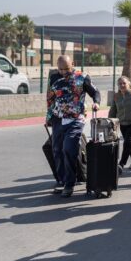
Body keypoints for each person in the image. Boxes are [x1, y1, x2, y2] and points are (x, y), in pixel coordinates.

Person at [46, 55, 101, 198]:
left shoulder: (82, 77)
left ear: (73, 64)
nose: (63, 72)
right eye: (60, 69)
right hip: (58, 119)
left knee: (68, 148)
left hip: (76, 119)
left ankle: (69, 184)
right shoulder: (54, 78)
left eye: (66, 69)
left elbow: (95, 92)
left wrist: (96, 102)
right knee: (57, 149)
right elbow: (50, 99)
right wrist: (49, 118)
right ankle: (63, 180)